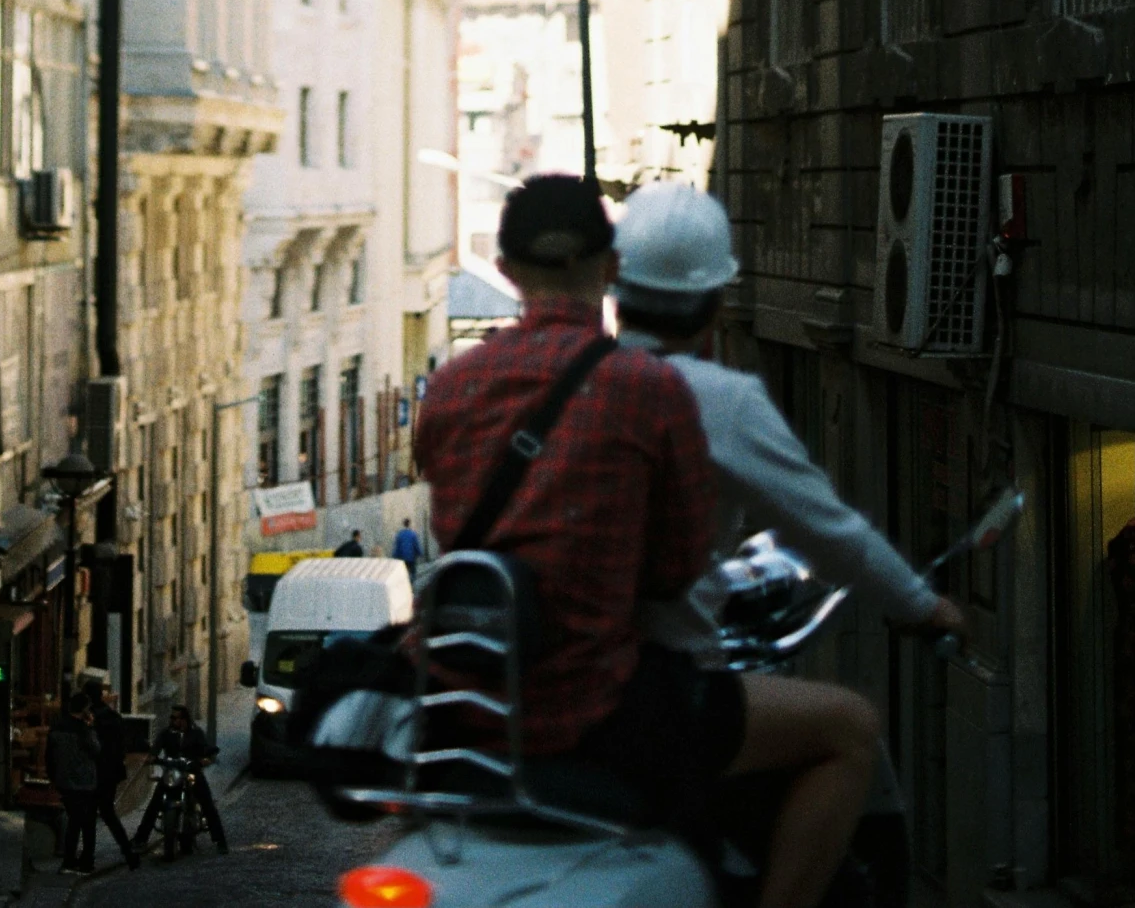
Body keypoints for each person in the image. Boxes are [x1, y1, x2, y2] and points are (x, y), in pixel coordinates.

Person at [611, 180, 971, 908]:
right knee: (849, 728)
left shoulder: (573, 384)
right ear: (716, 303)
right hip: (658, 689)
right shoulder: (720, 401)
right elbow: (831, 530)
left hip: (549, 676)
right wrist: (921, 605)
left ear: (618, 294)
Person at [415, 177, 721, 858]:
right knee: (839, 731)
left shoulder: (448, 389)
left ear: (503, 271)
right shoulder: (649, 388)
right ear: (611, 268)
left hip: (465, 705)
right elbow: (676, 570)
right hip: (598, 710)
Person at [46, 689, 139, 873]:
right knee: (98, 818)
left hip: (71, 781)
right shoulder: (95, 724)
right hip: (93, 780)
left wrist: (53, 778)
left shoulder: (58, 727)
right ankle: (120, 855)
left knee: (79, 820)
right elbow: (98, 749)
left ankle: (78, 859)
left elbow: (50, 756)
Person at [133, 704, 229, 857]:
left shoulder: (196, 733)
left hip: (191, 772)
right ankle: (140, 839)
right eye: (171, 717)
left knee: (208, 804)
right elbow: (156, 748)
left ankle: (220, 840)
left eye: (175, 717)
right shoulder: (166, 733)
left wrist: (205, 758)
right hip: (172, 773)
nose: (172, 720)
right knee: (155, 802)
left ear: (184, 719)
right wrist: (151, 757)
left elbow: (204, 748)